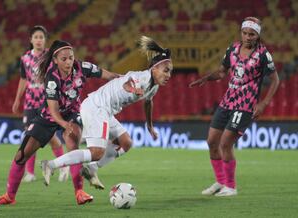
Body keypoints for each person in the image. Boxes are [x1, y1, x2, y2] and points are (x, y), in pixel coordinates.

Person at [0, 39, 119, 205]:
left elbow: (107, 75)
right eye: (64, 59)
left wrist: (125, 80)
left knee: (72, 144)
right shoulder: (52, 79)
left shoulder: (82, 67)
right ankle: (9, 196)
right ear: (55, 60)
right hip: (49, 116)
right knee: (21, 155)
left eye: (70, 57)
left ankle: (80, 192)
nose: (68, 62)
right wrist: (65, 125)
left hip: (73, 113)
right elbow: (54, 111)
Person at [41, 36, 172, 190]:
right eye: (166, 70)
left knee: (126, 142)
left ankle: (91, 169)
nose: (168, 75)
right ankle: (50, 165)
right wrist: (133, 89)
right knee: (96, 152)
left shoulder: (153, 86)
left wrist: (149, 126)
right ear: (154, 69)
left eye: (170, 71)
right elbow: (127, 84)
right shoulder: (141, 78)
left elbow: (149, 102)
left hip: (106, 110)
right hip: (97, 107)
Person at [189, 17, 279, 196]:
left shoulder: (263, 55)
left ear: (257, 35)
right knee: (212, 142)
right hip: (227, 101)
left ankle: (230, 186)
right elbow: (222, 72)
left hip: (245, 106)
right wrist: (207, 78)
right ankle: (220, 182)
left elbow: (275, 80)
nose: (247, 37)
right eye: (245, 33)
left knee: (225, 144)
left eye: (251, 34)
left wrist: (263, 103)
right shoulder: (233, 49)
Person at [11, 25, 69, 183]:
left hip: (46, 101)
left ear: (45, 40)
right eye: (35, 37)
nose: (38, 40)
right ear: (30, 40)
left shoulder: (51, 56)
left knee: (51, 137)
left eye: (41, 37)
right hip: (30, 103)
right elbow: (24, 79)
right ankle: (30, 173)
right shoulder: (25, 59)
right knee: (30, 137)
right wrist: (17, 99)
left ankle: (64, 166)